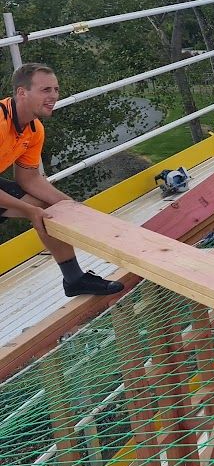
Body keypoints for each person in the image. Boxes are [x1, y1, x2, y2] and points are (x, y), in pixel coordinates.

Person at [0, 63, 123, 296]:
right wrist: (28, 210)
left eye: (56, 89)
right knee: (36, 209)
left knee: (52, 209)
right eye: (45, 90)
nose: (54, 96)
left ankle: (74, 280)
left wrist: (70, 205)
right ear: (22, 92)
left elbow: (29, 178)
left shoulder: (34, 129)